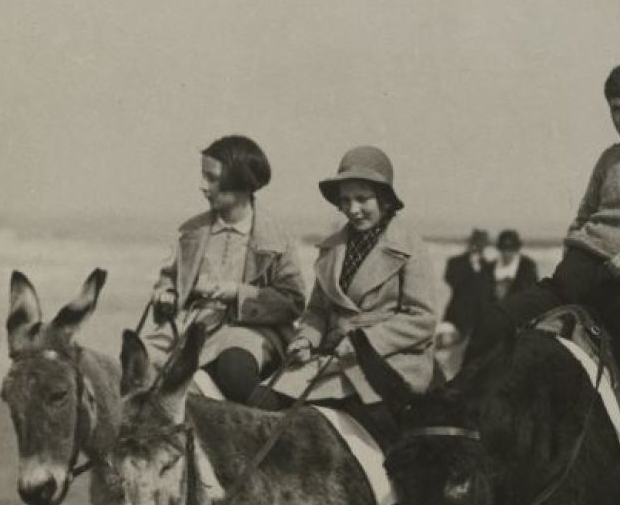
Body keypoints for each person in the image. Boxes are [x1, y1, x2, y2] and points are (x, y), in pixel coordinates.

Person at [474, 61, 620, 505]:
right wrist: (577, 252)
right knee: (495, 321)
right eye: (617, 108)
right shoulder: (609, 158)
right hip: (583, 272)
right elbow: (584, 216)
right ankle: (470, 432)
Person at [255, 145, 440, 442]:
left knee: (352, 435)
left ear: (385, 199)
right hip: (331, 358)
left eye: (362, 199)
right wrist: (305, 339)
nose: (353, 209)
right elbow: (317, 310)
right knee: (259, 405)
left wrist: (360, 343)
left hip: (387, 364)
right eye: (345, 201)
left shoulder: (410, 246)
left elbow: (422, 319)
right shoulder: (332, 248)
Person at [145, 135, 304, 403]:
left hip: (251, 331)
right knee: (136, 369)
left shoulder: (277, 237)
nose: (202, 186)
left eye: (211, 178)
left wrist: (238, 294)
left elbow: (294, 301)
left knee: (235, 371)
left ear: (241, 182)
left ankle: (279, 422)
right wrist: (166, 295)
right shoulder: (191, 232)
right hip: (188, 329)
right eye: (203, 177)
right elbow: (168, 281)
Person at [442, 228, 492, 342]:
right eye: (476, 243)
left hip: (479, 321)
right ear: (470, 244)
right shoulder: (455, 262)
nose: (478, 247)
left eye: (481, 245)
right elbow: (451, 280)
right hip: (456, 318)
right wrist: (472, 266)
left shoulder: (488, 266)